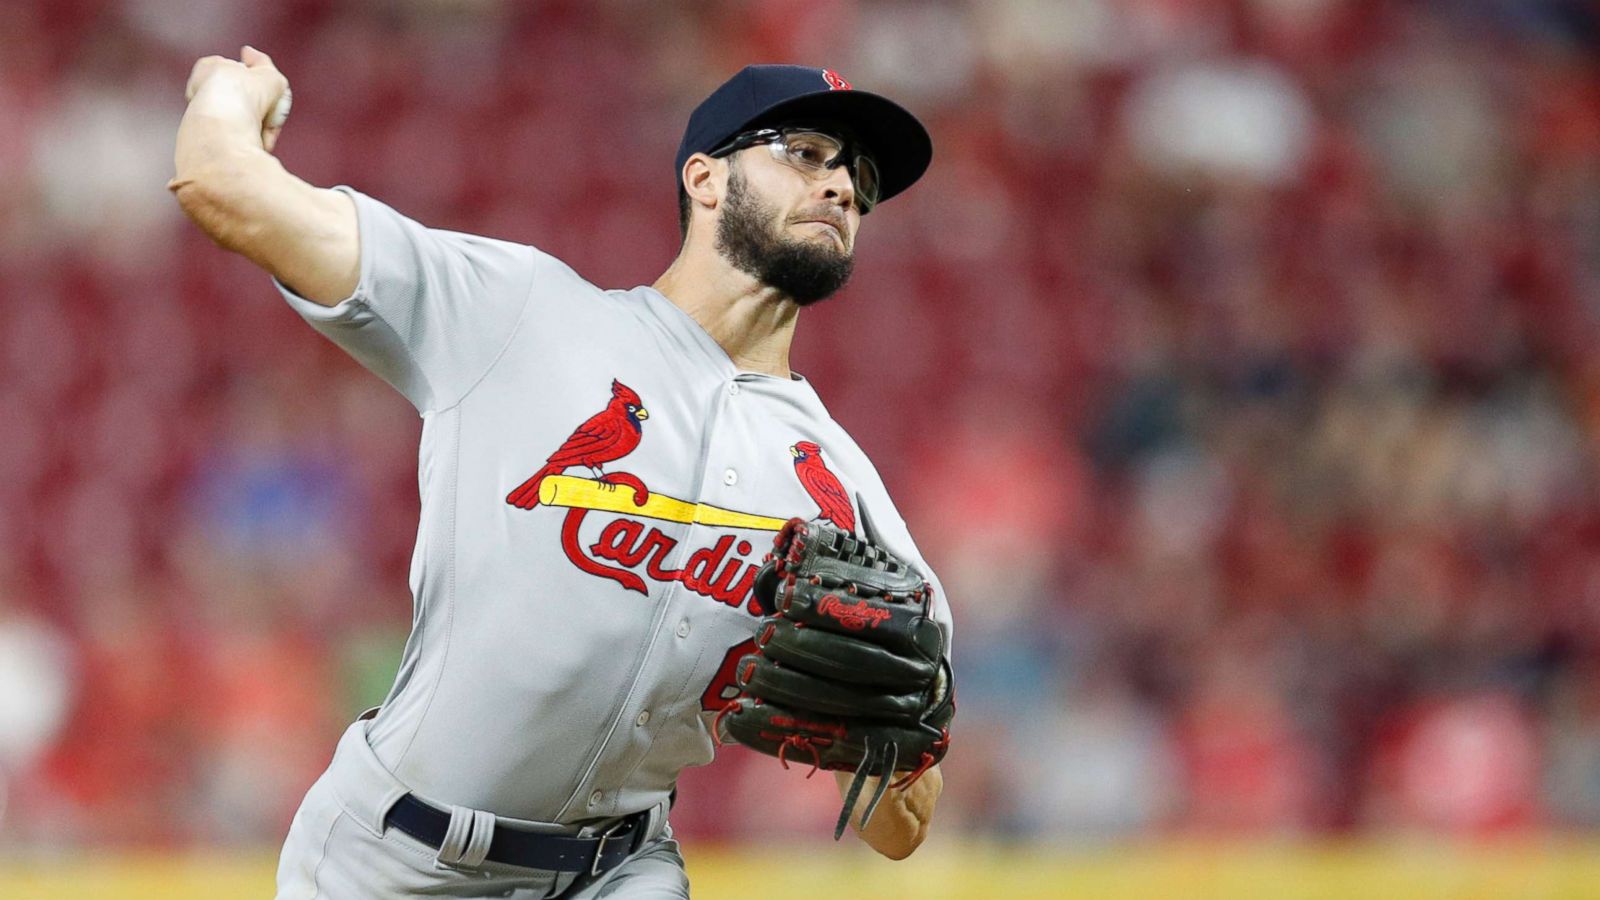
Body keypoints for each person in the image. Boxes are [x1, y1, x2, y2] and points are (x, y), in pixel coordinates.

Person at [170, 47, 953, 899]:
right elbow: (220, 183)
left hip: (620, 872)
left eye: (861, 176)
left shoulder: (841, 485)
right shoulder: (522, 315)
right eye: (806, 153)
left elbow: (901, 831)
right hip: (391, 860)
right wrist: (225, 94)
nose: (843, 187)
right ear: (706, 178)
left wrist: (875, 733)